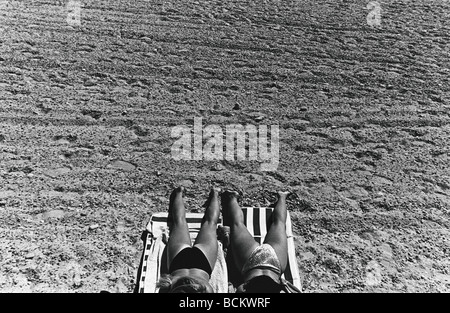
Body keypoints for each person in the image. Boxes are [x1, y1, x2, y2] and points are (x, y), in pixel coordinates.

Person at [221, 190, 292, 293]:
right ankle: (232, 197)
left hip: (274, 265)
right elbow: (241, 288)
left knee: (279, 224)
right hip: (250, 265)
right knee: (237, 224)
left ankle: (282, 196)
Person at [157, 186, 221, 293]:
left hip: (202, 266)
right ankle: (178, 192)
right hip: (178, 266)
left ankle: (215, 193)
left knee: (210, 223)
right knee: (179, 221)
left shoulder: (206, 290)